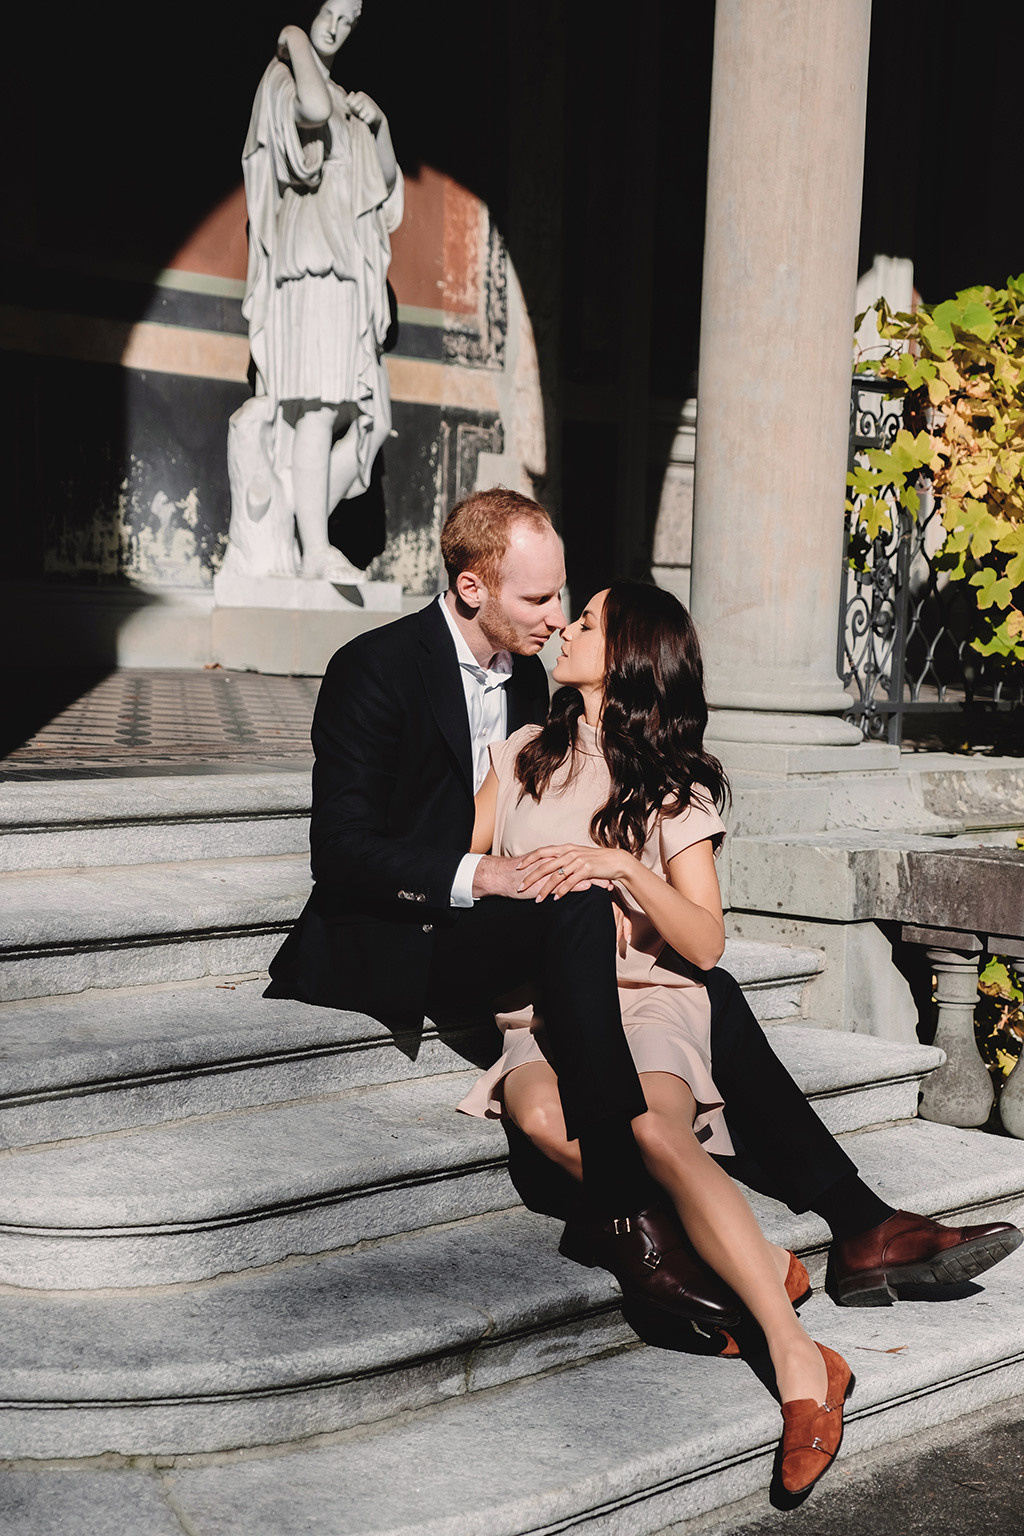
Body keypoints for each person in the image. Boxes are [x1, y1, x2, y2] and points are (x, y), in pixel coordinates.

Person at [265, 485, 1021, 1339]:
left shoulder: (537, 685)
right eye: (540, 599)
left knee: (702, 984)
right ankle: (644, 1226)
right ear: (472, 589)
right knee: (586, 914)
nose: (556, 618)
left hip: (539, 926)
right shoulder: (376, 667)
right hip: (421, 928)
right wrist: (488, 876)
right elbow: (346, 854)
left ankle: (860, 1225)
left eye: (567, 601)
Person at [460, 579, 860, 1493]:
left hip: (647, 999)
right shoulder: (522, 751)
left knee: (650, 1130)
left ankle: (801, 1362)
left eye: (587, 622)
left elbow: (708, 942)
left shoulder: (671, 784)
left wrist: (619, 871)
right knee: (538, 1117)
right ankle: (757, 1259)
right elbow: (462, 860)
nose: (563, 626)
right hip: (541, 1016)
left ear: (629, 656)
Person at [228, 0, 402, 582]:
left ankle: (305, 537)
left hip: (347, 271)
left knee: (370, 422)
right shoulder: (284, 80)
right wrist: (292, 37)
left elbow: (379, 190)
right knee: (318, 411)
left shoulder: (346, 102)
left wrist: (378, 128)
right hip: (310, 266)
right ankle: (314, 553)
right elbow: (312, 107)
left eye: (350, 20)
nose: (337, 26)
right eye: (330, 10)